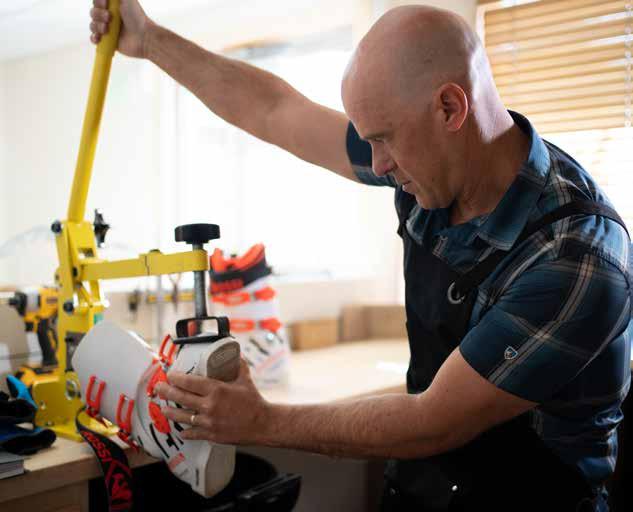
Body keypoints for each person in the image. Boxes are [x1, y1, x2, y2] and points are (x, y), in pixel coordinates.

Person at [89, 2, 632, 510]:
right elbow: (275, 110)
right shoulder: (433, 163)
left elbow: (432, 422)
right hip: (426, 486)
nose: (376, 165)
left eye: (384, 140)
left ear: (450, 108)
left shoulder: (576, 254)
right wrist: (150, 40)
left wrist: (261, 421)